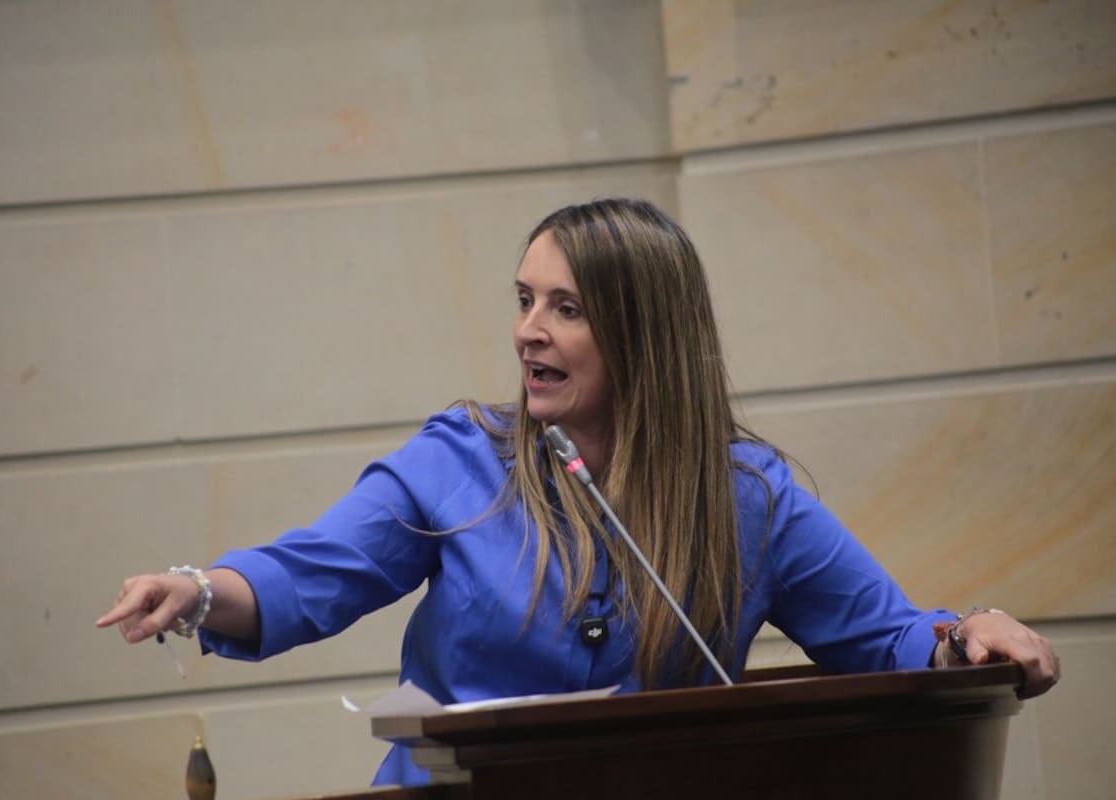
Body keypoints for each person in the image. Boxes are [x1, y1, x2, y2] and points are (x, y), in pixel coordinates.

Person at [97, 198, 1060, 786]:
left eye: (565, 307)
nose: (528, 331)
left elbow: (886, 639)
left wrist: (964, 634)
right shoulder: (462, 460)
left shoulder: (747, 499)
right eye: (523, 300)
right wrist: (199, 589)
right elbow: (311, 575)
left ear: (644, 333)